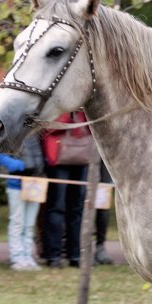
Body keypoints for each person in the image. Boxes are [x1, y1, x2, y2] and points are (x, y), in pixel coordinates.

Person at [41, 111, 91, 268]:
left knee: (77, 208)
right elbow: (48, 128)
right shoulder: (57, 103)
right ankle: (53, 254)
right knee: (57, 206)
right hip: (59, 158)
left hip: (82, 157)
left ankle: (75, 254)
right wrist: (68, 113)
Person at [0, 128, 45, 270]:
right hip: (16, 185)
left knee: (29, 224)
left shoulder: (35, 133)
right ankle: (17, 257)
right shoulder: (10, 131)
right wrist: (17, 165)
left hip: (35, 184)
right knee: (17, 222)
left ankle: (27, 256)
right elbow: (0, 156)